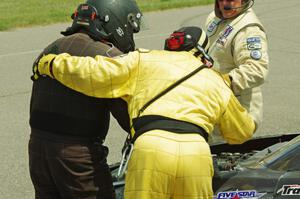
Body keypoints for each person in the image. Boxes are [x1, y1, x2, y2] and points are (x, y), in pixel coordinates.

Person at [32, 26, 256, 199]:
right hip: (195, 153)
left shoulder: (143, 60)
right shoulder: (214, 80)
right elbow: (240, 133)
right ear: (201, 52)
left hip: (150, 148)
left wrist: (50, 63)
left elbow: (93, 72)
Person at [29, 0, 143, 198]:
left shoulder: (50, 49)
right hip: (78, 158)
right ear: (114, 19)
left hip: (38, 150)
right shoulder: (108, 57)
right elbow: (129, 119)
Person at [205, 0, 269, 131]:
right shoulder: (214, 18)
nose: (225, 4)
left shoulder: (249, 29)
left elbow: (256, 69)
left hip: (236, 112)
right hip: (213, 102)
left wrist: (223, 82)